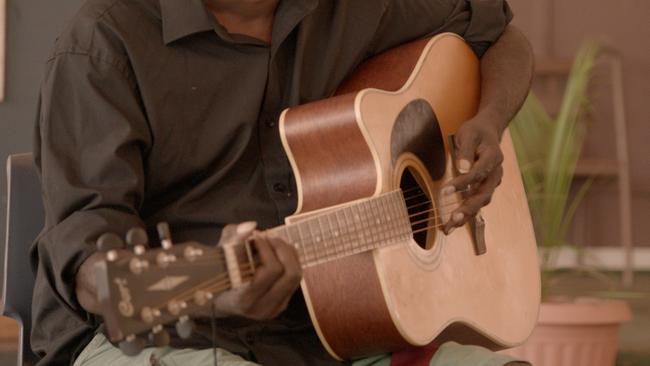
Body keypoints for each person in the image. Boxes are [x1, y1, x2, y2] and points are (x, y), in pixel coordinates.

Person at [32, 0, 534, 365]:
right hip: (168, 340)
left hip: (345, 338)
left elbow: (502, 34)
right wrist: (217, 293)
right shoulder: (103, 43)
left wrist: (488, 121)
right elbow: (92, 268)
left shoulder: (354, 10)